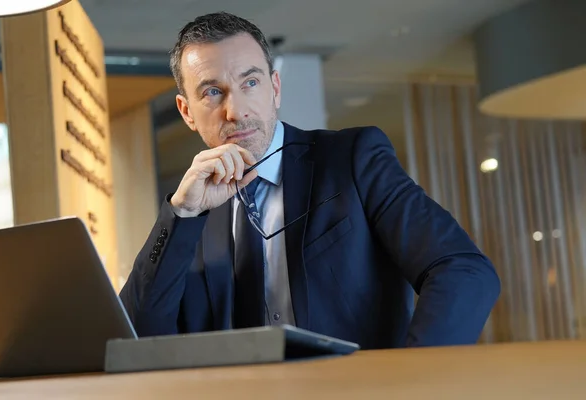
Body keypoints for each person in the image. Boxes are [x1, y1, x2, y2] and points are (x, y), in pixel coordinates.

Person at [119, 11, 500, 348]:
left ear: (275, 88)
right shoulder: (191, 213)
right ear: (186, 111)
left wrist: (411, 382)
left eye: (250, 83)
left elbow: (464, 271)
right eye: (213, 92)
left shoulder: (352, 158)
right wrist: (182, 214)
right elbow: (135, 335)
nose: (235, 111)